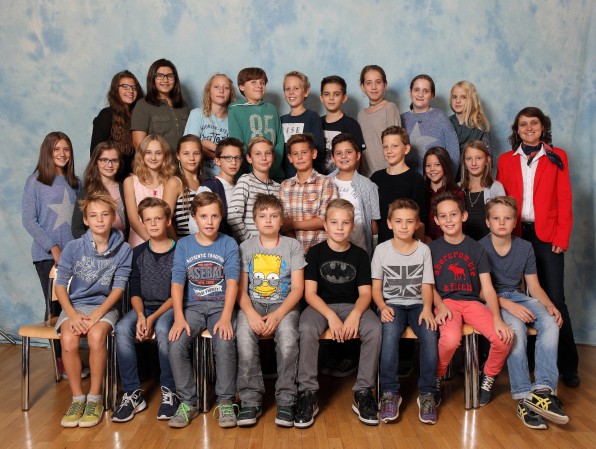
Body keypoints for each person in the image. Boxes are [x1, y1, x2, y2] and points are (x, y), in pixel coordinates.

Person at [497, 106, 577, 388]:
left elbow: (565, 199)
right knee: (522, 296)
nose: (528, 128)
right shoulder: (505, 160)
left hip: (547, 236)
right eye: (523, 124)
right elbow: (501, 201)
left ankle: (568, 365)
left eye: (534, 123)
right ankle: (532, 360)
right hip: (516, 234)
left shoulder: (557, 156)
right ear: (516, 130)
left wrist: (561, 237)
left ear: (543, 127)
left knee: (554, 298)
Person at [480, 196, 569, 429]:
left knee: (551, 321)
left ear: (515, 222)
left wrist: (550, 306)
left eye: (507, 218)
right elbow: (480, 292)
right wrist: (507, 305)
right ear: (487, 222)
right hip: (493, 300)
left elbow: (534, 286)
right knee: (516, 330)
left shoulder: (525, 247)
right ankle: (523, 398)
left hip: (518, 296)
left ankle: (543, 391)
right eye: (496, 218)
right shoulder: (480, 247)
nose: (502, 222)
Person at [294, 199, 382, 427]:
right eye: (334, 222)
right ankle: (307, 392)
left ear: (353, 226)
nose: (340, 227)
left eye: (345, 223)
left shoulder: (360, 255)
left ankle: (363, 391)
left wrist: (355, 314)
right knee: (306, 327)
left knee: (374, 328)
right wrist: (331, 316)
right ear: (325, 225)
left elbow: (366, 293)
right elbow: (309, 294)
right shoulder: (315, 253)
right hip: (320, 306)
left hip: (353, 305)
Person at [54, 193, 132, 428]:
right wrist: (72, 315)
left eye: (105, 215)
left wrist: (98, 315)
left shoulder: (124, 249)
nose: (99, 220)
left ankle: (94, 399)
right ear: (86, 220)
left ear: (113, 217)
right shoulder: (73, 247)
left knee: (97, 336)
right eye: (94, 215)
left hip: (105, 307)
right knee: (68, 340)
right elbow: (60, 285)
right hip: (75, 306)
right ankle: (78, 399)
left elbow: (118, 289)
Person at [429, 192, 513, 407]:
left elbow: (488, 287)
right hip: (446, 303)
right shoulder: (431, 249)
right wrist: (439, 305)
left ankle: (488, 376)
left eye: (453, 214)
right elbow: (428, 286)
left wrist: (497, 318)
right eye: (443, 216)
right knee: (450, 339)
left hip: (473, 302)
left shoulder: (477, 248)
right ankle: (435, 377)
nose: (449, 220)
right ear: (436, 220)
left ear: (464, 216)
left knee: (503, 338)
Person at [168, 192, 240, 428]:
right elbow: (177, 282)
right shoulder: (184, 245)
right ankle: (188, 402)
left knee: (225, 343)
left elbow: (233, 282)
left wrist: (227, 316)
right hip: (193, 307)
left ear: (221, 217)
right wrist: (179, 317)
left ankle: (226, 401)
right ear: (194, 217)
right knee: (176, 344)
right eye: (203, 216)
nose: (209, 222)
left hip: (221, 307)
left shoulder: (228, 243)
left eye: (214, 216)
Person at [236, 194, 306, 427]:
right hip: (253, 303)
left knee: (287, 340)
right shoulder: (246, 247)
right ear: (255, 220)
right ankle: (250, 400)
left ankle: (286, 399)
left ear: (282, 220)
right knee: (244, 338)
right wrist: (251, 314)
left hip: (284, 304)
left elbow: (298, 288)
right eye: (263, 216)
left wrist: (278, 314)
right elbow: (240, 290)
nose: (268, 220)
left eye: (274, 216)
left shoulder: (292, 246)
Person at [371, 199, 438, 425]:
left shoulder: (424, 250)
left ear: (417, 224)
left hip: (419, 304)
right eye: (398, 221)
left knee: (430, 334)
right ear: (389, 223)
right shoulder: (382, 250)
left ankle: (427, 393)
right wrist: (382, 307)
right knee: (389, 335)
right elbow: (376, 288)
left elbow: (427, 284)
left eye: (409, 222)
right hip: (392, 304)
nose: (404, 226)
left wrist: (427, 308)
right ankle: (390, 392)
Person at [112, 198, 178, 423]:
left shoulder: (179, 251)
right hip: (145, 307)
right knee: (122, 328)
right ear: (142, 223)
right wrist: (141, 315)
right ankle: (132, 393)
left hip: (170, 308)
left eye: (158, 218)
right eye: (148, 220)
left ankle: (170, 391)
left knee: (162, 329)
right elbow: (135, 291)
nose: (153, 224)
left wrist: (152, 319)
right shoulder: (138, 253)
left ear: (167, 221)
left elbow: (177, 295)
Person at [22, 131, 80, 378]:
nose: (62, 154)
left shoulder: (76, 183)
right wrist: (53, 248)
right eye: (56, 149)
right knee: (55, 307)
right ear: (47, 152)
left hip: (74, 255)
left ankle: (73, 354)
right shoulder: (35, 181)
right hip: (48, 257)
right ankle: (60, 361)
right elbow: (29, 220)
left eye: (66, 149)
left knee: (75, 305)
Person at [279, 133, 338, 253]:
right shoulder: (285, 186)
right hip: (292, 251)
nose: (300, 157)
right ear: (290, 158)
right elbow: (284, 222)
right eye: (295, 154)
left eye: (304, 152)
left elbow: (325, 219)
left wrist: (292, 224)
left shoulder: (326, 183)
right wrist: (296, 249)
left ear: (313, 154)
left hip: (321, 250)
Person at [227, 67, 285, 182]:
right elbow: (238, 143)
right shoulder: (235, 110)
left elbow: (279, 141)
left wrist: (272, 166)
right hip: (249, 174)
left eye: (262, 82)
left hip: (274, 173)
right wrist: (254, 169)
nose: (259, 86)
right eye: (253, 82)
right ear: (242, 87)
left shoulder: (272, 109)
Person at [371, 126, 427, 244]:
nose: (389, 151)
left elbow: (421, 220)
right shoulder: (376, 178)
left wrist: (420, 249)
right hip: (382, 245)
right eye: (385, 147)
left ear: (406, 149)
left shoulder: (416, 179)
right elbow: (373, 218)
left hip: (408, 245)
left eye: (395, 146)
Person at [328, 133, 380, 256]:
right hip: (331, 249)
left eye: (348, 152)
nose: (343, 156)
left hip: (359, 248)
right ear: (332, 158)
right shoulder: (325, 182)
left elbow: (373, 223)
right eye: (338, 153)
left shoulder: (369, 186)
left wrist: (375, 249)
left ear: (358, 155)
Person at [123, 134, 176, 248]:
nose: (153, 157)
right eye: (148, 152)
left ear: (165, 156)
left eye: (158, 153)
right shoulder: (130, 182)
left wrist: (173, 245)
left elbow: (168, 220)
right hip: (140, 243)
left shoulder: (170, 183)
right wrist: (154, 244)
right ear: (141, 155)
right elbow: (134, 221)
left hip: (165, 243)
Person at [91, 70, 144, 179]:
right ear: (116, 89)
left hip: (135, 177)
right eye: (125, 87)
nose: (130, 90)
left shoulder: (140, 116)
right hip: (112, 178)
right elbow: (95, 153)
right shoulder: (106, 115)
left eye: (134, 87)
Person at [400, 74, 459, 174]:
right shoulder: (401, 119)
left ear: (432, 95)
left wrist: (449, 179)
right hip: (409, 180)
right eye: (416, 90)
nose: (420, 95)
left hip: (437, 180)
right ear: (410, 93)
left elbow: (454, 153)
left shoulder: (440, 117)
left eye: (426, 91)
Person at [228, 137, 281, 242]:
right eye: (258, 154)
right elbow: (233, 216)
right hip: (252, 246)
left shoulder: (278, 187)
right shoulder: (246, 181)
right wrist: (250, 241)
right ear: (249, 158)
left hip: (274, 246)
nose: (263, 158)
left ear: (273, 156)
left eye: (268, 153)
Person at [131, 59, 189, 154]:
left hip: (183, 162)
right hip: (158, 163)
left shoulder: (183, 105)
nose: (165, 80)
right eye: (160, 76)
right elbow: (138, 144)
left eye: (170, 76)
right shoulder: (143, 105)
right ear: (152, 78)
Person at [72, 142, 129, 240]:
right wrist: (97, 243)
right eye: (104, 160)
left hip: (122, 244)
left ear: (120, 163)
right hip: (96, 247)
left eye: (114, 160)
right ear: (96, 162)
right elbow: (76, 229)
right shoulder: (87, 191)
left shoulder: (125, 188)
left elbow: (130, 225)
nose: (109, 165)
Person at [184, 73, 236, 179]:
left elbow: (235, 154)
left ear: (230, 93)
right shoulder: (197, 114)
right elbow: (190, 148)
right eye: (216, 87)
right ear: (209, 91)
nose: (221, 91)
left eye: (226, 88)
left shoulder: (234, 120)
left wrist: (206, 144)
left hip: (226, 178)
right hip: (200, 178)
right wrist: (220, 154)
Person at [163, 135, 211, 239]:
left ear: (201, 155)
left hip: (206, 242)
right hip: (184, 242)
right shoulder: (175, 183)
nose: (191, 158)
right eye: (186, 154)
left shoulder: (206, 183)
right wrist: (178, 244)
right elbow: (165, 220)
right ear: (178, 156)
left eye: (196, 153)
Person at [357, 65, 401, 177]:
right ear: (362, 87)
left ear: (385, 85)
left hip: (387, 173)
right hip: (366, 175)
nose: (373, 87)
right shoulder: (361, 115)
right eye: (368, 83)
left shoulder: (390, 108)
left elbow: (396, 143)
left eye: (378, 82)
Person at [281, 71, 325, 176]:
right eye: (287, 89)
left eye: (296, 88)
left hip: (307, 177)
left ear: (305, 92)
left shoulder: (312, 117)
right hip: (284, 178)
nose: (291, 92)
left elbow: (318, 149)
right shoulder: (281, 120)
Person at [319, 75, 366, 174]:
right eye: (327, 94)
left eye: (336, 94)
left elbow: (357, 158)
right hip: (320, 180)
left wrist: (353, 180)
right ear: (321, 98)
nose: (331, 98)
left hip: (344, 179)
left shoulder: (351, 124)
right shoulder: (317, 122)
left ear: (344, 98)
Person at [459, 140, 504, 240]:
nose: (474, 163)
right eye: (469, 159)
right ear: (464, 162)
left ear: (487, 160)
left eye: (479, 158)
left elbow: (502, 220)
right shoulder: (458, 188)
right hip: (464, 244)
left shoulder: (496, 187)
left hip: (490, 243)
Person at [202, 137, 244, 236]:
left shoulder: (242, 185)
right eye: (228, 158)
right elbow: (195, 225)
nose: (233, 162)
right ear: (217, 161)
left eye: (237, 158)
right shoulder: (209, 187)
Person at [423, 146, 464, 241]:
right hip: (425, 244)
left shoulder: (456, 192)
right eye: (428, 165)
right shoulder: (421, 192)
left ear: (445, 165)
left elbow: (461, 225)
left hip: (449, 243)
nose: (432, 169)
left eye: (437, 164)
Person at [449, 81, 491, 155]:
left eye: (463, 97)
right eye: (454, 97)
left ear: (472, 100)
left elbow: (488, 156)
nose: (458, 101)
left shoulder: (480, 125)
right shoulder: (446, 122)